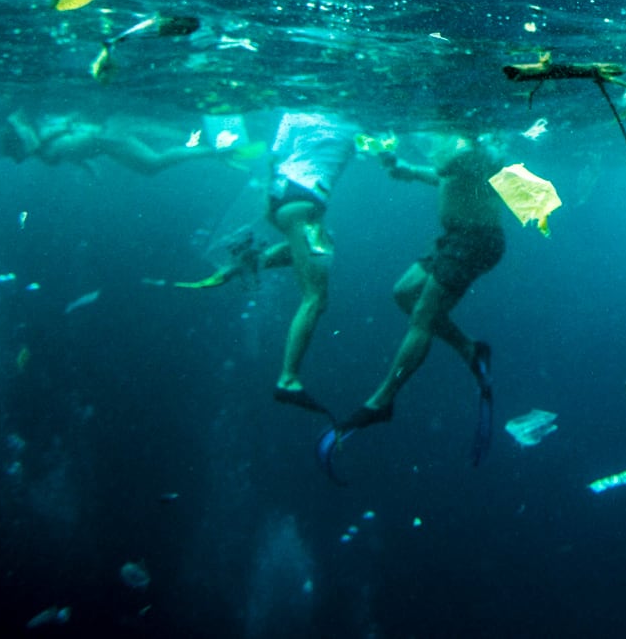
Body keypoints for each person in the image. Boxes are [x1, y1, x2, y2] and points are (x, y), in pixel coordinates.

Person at [176, 111, 353, 410]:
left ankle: (246, 263)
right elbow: (379, 145)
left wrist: (268, 207)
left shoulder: (294, 114)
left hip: (280, 195)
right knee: (315, 298)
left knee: (323, 246)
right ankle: (288, 379)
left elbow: (273, 158)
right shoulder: (352, 120)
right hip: (305, 202)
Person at [335, 134, 503, 434]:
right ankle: (470, 349)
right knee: (404, 293)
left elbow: (448, 167)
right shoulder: (458, 146)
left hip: (476, 239)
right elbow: (446, 178)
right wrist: (407, 168)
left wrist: (404, 147)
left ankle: (382, 401)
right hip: (455, 239)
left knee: (422, 316)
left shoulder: (476, 147)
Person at [1, 111, 234, 176]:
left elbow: (30, 136)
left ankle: (215, 150)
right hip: (106, 142)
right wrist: (87, 167)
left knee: (153, 163)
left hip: (106, 137)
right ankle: (215, 148)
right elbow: (72, 154)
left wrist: (18, 123)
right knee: (151, 164)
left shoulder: (44, 142)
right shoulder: (46, 150)